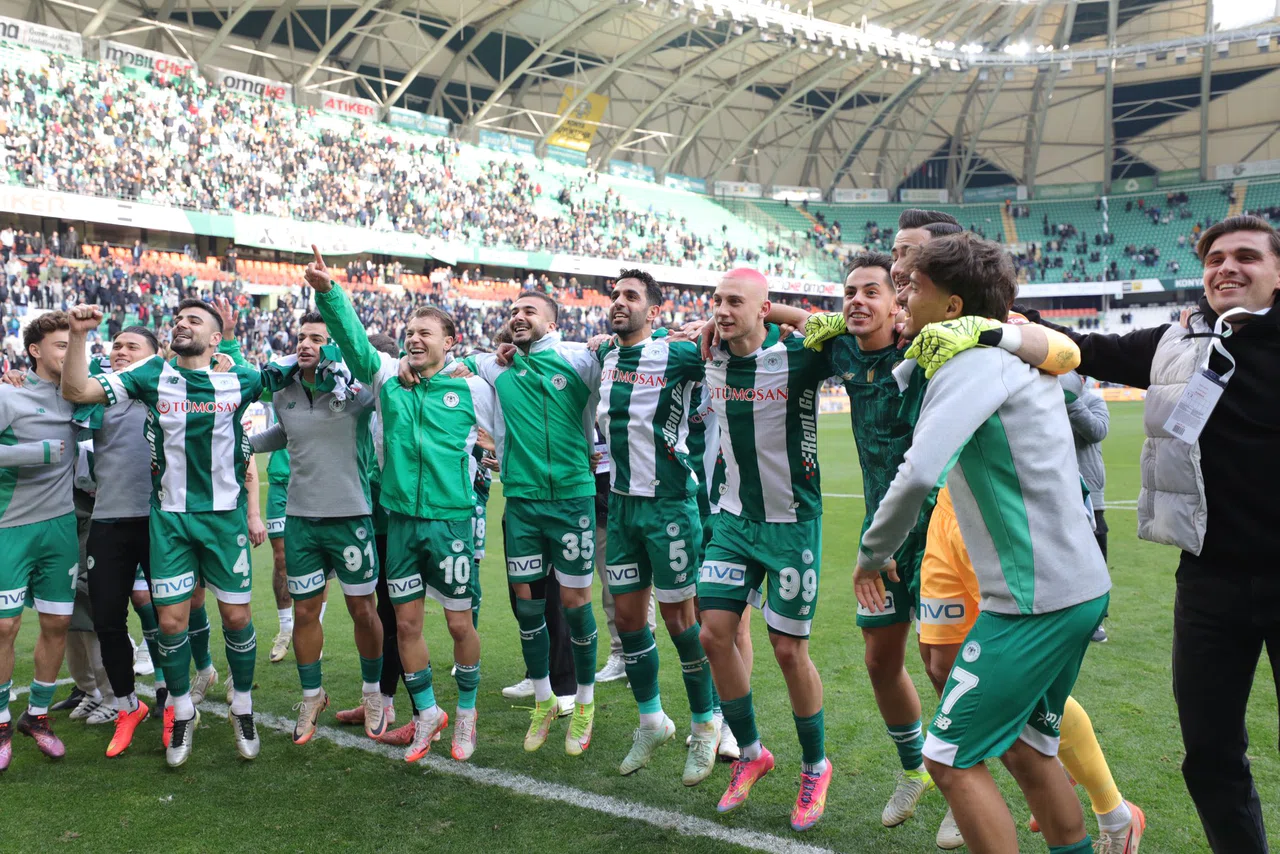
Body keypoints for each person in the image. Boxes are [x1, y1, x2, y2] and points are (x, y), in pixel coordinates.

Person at [1022, 214, 1280, 854]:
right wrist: (999, 315)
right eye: (1215, 258)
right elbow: (1090, 349)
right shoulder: (1175, 344)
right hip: (1209, 580)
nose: (1227, 267)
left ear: (1277, 274)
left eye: (1246, 256)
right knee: (1210, 753)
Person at [855, 233, 1111, 854]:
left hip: (1032, 600)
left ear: (952, 306)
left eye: (910, 285)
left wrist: (872, 552)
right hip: (1075, 588)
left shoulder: (971, 363)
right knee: (1029, 749)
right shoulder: (1001, 352)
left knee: (945, 759)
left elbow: (918, 474)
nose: (899, 295)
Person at [61, 298, 267, 768]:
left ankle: (242, 707)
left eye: (194, 320)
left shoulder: (243, 378)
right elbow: (76, 389)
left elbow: (299, 374)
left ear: (216, 339)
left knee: (237, 618)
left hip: (223, 520)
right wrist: (77, 334)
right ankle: (182, 709)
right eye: (178, 319)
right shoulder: (150, 374)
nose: (182, 323)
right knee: (170, 621)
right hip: (169, 521)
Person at [310, 248, 494, 763]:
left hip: (451, 523)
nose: (414, 338)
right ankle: (429, 712)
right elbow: (352, 340)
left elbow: (505, 430)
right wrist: (329, 292)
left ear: (449, 343)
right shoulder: (388, 378)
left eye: (425, 333)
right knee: (406, 625)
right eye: (409, 331)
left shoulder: (474, 387)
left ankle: (468, 713)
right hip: (400, 524)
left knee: (460, 625)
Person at [693, 267, 836, 831]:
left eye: (735, 302)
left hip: (793, 525)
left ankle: (815, 766)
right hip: (733, 521)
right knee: (713, 634)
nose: (722, 311)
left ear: (763, 307)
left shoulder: (802, 356)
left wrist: (776, 314)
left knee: (786, 650)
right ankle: (751, 755)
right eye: (717, 302)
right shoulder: (705, 356)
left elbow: (834, 328)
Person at [440, 291, 602, 756]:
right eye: (513, 311)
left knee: (575, 603)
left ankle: (584, 702)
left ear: (552, 322)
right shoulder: (497, 366)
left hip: (572, 498)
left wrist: (606, 340)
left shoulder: (579, 360)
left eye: (529, 311)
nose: (518, 317)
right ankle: (544, 698)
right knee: (527, 605)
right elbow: (451, 366)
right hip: (523, 503)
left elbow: (621, 354)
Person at [592, 269, 721, 785]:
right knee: (628, 621)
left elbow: (729, 343)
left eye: (631, 297)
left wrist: (707, 326)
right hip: (621, 507)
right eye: (616, 295)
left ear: (655, 311)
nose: (620, 303)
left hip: (669, 505)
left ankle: (706, 725)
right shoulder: (603, 356)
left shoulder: (679, 354)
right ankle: (652, 720)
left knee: (681, 623)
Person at [239, 310, 387, 746]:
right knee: (305, 612)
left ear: (335, 344)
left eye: (318, 338)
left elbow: (390, 387)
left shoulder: (358, 393)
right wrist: (235, 442)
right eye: (302, 337)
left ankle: (373, 693)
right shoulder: (283, 390)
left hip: (352, 518)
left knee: (363, 610)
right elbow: (282, 436)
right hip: (302, 519)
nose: (306, 344)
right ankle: (311, 695)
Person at [78, 327, 172, 757]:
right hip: (108, 521)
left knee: (171, 620)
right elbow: (67, 386)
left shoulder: (168, 390)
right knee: (108, 620)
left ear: (154, 357)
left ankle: (173, 703)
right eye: (115, 344)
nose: (119, 350)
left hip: (158, 520)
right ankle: (128, 706)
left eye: (131, 346)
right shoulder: (98, 396)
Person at [0, 312, 80, 770]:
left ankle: (38, 717)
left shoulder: (80, 396)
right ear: (35, 350)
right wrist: (39, 452)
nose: (69, 354)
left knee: (56, 625)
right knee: (5, 628)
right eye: (61, 346)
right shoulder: (9, 394)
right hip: (11, 527)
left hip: (61, 528)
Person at [1060, 372, 1112, 643]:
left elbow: (1096, 432)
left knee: (1095, 554)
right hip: (1057, 487)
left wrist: (1071, 402)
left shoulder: (1093, 402)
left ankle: (1096, 619)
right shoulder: (1045, 401)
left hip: (1090, 490)